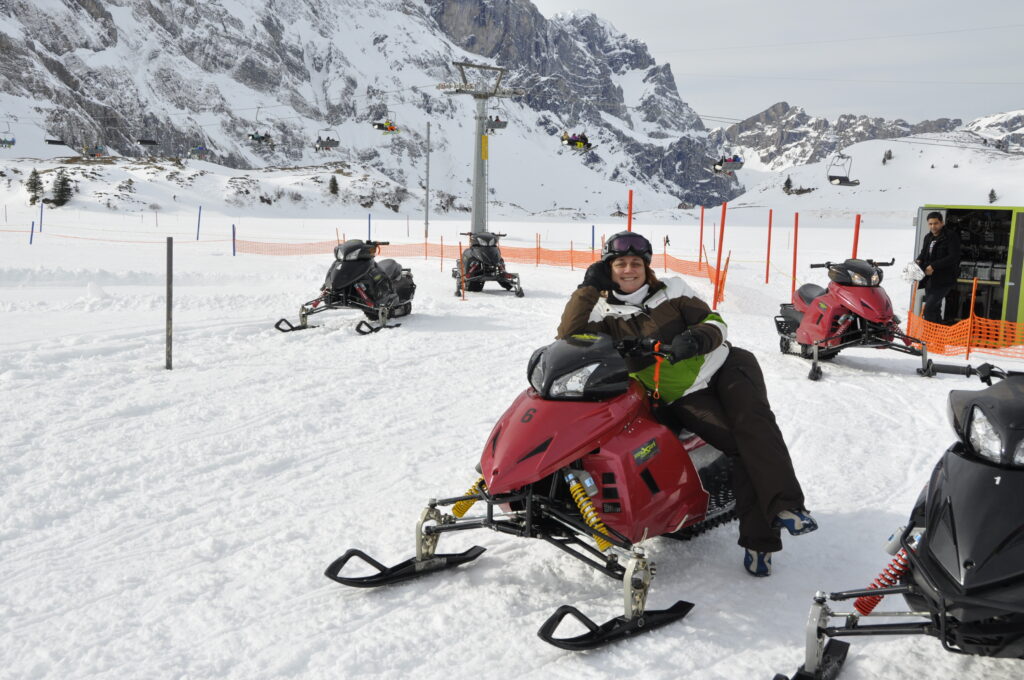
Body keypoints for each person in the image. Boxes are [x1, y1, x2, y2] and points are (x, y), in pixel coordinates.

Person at [557, 231, 816, 576]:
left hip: (726, 365)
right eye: (620, 263)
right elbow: (568, 338)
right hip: (682, 393)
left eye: (637, 262)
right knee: (738, 444)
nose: (629, 269)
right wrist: (587, 288)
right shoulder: (602, 312)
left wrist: (696, 338)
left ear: (647, 266)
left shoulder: (673, 289)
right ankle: (764, 530)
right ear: (608, 268)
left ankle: (784, 510)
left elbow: (716, 323)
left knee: (754, 423)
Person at [915, 211, 961, 324]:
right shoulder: (928, 237)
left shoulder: (950, 236)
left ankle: (931, 336)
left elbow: (953, 257)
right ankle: (937, 336)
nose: (933, 226)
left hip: (945, 280)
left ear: (942, 223)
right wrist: (918, 260)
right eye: (930, 224)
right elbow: (923, 253)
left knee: (929, 309)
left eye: (935, 223)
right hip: (930, 279)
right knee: (934, 309)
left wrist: (934, 266)